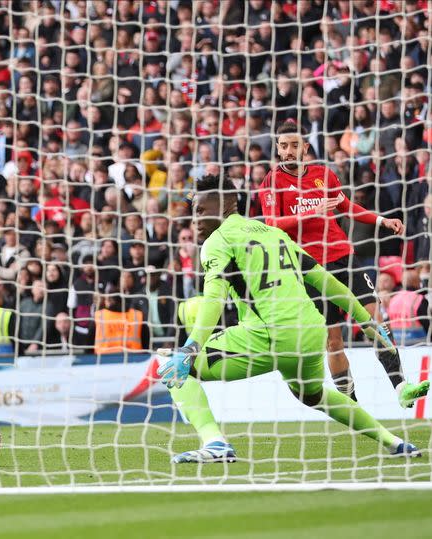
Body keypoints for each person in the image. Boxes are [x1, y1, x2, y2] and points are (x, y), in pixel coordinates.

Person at [157, 174, 421, 463]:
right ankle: (393, 441)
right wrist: (368, 325)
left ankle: (215, 442)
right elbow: (327, 282)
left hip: (269, 334)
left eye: (200, 210)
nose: (195, 219)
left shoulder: (218, 241)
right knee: (313, 396)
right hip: (310, 335)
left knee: (176, 368)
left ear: (226, 203)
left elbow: (214, 300)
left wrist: (190, 347)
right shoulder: (271, 232)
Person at [260, 121, 427, 408]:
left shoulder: (323, 174)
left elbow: (346, 206)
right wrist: (312, 211)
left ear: (305, 147)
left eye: (294, 145)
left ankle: (401, 386)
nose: (289, 151)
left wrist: (381, 220)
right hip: (308, 269)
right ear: (277, 148)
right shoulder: (271, 183)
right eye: (284, 146)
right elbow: (272, 223)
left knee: (376, 321)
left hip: (343, 257)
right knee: (333, 341)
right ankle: (351, 407)